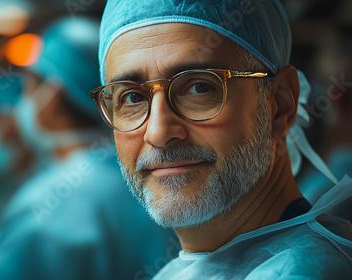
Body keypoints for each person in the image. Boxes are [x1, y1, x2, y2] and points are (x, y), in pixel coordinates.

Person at [90, 0, 352, 279]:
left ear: (279, 104)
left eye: (199, 87)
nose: (158, 132)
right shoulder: (192, 269)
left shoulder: (306, 272)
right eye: (132, 97)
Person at [0, 16, 176, 280]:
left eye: (28, 86)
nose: (21, 103)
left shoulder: (47, 204)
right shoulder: (149, 179)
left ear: (52, 95)